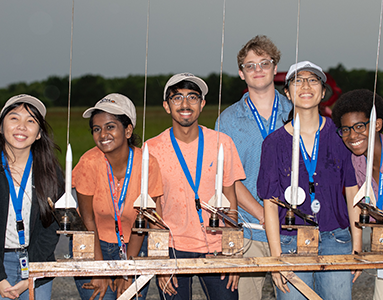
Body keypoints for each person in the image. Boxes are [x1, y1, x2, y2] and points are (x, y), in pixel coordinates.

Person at [257, 61, 362, 300]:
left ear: (323, 92)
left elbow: (352, 190)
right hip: (290, 241)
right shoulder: (273, 144)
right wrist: (276, 258)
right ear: (287, 92)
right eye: (297, 80)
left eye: (313, 80)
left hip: (335, 238)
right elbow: (270, 203)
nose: (305, 85)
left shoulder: (340, 136)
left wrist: (357, 246)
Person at [146, 73, 245, 300]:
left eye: (192, 97)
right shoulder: (152, 148)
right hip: (173, 247)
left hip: (217, 247)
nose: (185, 104)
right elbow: (154, 208)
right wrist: (161, 262)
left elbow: (230, 197)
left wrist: (232, 252)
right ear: (166, 106)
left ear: (202, 104)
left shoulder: (223, 143)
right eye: (177, 97)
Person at [216, 35, 292, 300]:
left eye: (264, 63)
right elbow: (228, 179)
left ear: (275, 68)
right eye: (250, 65)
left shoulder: (294, 112)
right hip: (250, 230)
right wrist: (262, 214)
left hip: (290, 229)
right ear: (241, 73)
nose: (258, 70)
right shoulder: (227, 120)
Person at [72, 93, 163, 300]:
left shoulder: (147, 164)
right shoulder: (89, 162)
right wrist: (98, 268)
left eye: (110, 126)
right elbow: (87, 219)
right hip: (93, 242)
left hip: (134, 243)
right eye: (97, 129)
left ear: (128, 130)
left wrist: (128, 271)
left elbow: (144, 221)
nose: (103, 134)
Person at [332, 89, 383, 300]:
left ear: (377, 124)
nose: (352, 135)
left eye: (360, 126)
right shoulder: (356, 161)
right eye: (345, 129)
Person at [0, 94, 64, 300]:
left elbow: (52, 227)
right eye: (14, 118)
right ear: (1, 127)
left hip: (37, 261)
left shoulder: (50, 171)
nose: (21, 126)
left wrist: (32, 273)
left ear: (38, 134)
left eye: (31, 121)